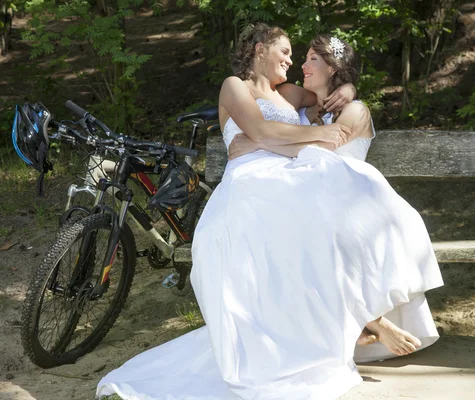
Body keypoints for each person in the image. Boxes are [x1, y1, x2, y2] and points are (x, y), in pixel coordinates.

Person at [97, 24, 443, 400]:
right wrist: (288, 136)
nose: (292, 62)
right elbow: (260, 132)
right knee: (284, 223)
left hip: (287, 176)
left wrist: (349, 89)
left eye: (298, 57)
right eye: (286, 53)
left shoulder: (289, 94)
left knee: (308, 225)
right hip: (250, 182)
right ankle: (362, 322)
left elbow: (325, 96)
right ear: (260, 50)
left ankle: (360, 321)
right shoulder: (235, 86)